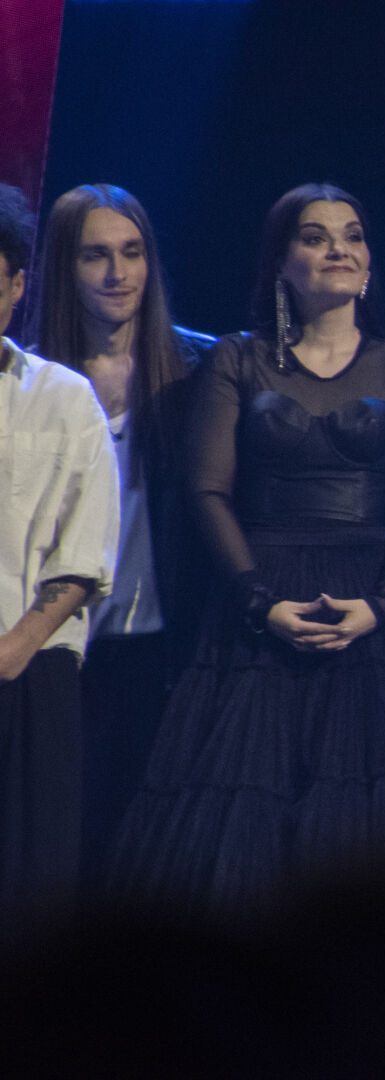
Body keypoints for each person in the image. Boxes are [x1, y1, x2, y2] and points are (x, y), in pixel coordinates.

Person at [110, 183, 385, 915]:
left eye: (352, 235)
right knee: (239, 840)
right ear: (281, 263)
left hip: (371, 602)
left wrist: (382, 605)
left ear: (369, 260)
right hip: (260, 601)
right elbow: (207, 492)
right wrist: (260, 602)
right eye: (315, 237)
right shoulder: (238, 360)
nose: (338, 249)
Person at [33, 184, 214, 884]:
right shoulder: (31, 381)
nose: (118, 273)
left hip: (163, 644)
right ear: (62, 267)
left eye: (133, 253)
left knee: (147, 852)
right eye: (96, 256)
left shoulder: (203, 369)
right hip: (57, 644)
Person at [0, 182, 120, 921]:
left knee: (29, 883)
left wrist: (17, 646)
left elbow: (86, 548)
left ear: (17, 287)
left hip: (32, 665)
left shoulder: (64, 396)